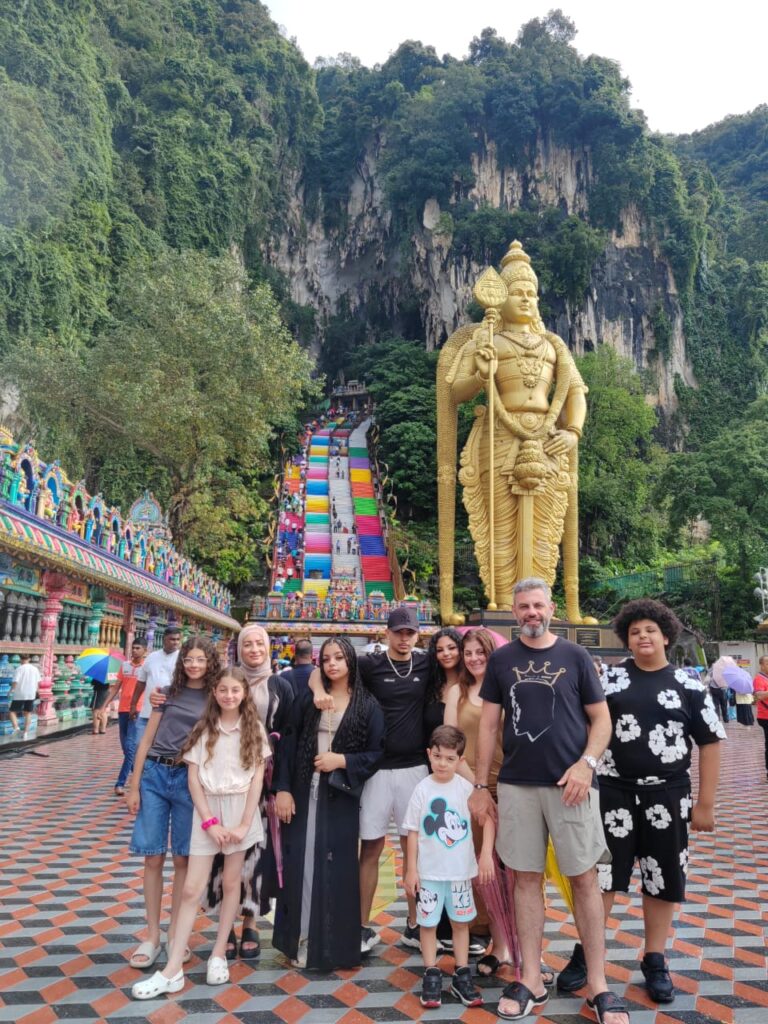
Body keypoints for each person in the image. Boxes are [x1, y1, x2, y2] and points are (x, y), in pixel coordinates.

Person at [469, 578, 627, 1024]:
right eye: (524, 606)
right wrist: (482, 786)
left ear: (551, 608)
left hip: (572, 784)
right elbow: (487, 727)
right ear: (515, 612)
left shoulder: (575, 656)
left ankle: (598, 982)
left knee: (584, 879)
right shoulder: (502, 660)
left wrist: (587, 764)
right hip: (518, 784)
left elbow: (601, 720)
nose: (531, 613)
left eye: (538, 605)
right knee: (524, 878)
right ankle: (532, 977)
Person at [437, 240, 593, 624]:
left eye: (531, 293)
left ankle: (546, 606)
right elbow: (454, 392)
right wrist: (480, 374)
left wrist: (572, 431)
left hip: (548, 436)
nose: (525, 299)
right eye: (517, 293)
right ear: (500, 298)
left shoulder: (553, 344)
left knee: (547, 522)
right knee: (500, 524)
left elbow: (575, 392)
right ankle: (505, 602)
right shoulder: (485, 340)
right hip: (499, 436)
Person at [597, 599, 725, 1005]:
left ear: (666, 636)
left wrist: (705, 804)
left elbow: (709, 743)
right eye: (635, 632)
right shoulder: (609, 681)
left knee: (663, 879)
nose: (643, 636)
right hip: (613, 793)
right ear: (627, 640)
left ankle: (654, 958)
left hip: (668, 796)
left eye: (650, 630)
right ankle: (589, 953)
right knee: (603, 878)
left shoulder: (689, 684)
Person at [131, 667, 268, 999]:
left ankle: (219, 952)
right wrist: (209, 821)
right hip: (207, 812)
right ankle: (172, 968)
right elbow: (193, 777)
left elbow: (257, 781)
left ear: (244, 694)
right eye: (223, 690)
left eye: (235, 690)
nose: (229, 696)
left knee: (233, 882)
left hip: (240, 814)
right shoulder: (204, 728)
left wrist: (242, 823)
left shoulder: (254, 730)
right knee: (192, 888)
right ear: (215, 693)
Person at [309, 606, 429, 953]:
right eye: (398, 633)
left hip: (415, 769)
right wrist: (319, 690)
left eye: (410, 633)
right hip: (375, 770)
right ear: (387, 634)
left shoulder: (426, 664)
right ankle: (360, 926)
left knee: (413, 848)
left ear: (417, 635)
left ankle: (415, 923)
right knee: (371, 847)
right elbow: (325, 670)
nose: (404, 639)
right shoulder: (370, 663)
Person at [273, 637, 385, 969]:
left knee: (338, 869)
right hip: (304, 791)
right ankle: (301, 940)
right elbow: (288, 745)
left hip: (341, 796)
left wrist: (342, 760)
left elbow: (376, 753)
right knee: (302, 865)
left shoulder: (367, 705)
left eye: (339, 657)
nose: (333, 663)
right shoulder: (309, 701)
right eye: (327, 658)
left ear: (351, 661)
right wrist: (282, 789)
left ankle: (334, 945)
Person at [126, 636, 221, 972]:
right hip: (154, 773)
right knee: (153, 857)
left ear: (210, 662)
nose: (194, 665)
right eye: (189, 660)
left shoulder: (215, 697)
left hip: (188, 780)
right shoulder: (166, 692)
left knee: (183, 859)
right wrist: (133, 785)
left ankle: (174, 935)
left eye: (200, 659)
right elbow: (146, 739)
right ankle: (151, 935)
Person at [204, 623, 294, 960]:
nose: (254, 649)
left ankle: (251, 919)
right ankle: (224, 926)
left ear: (269, 647)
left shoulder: (280, 684)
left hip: (263, 779)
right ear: (238, 649)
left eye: (259, 644)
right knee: (223, 851)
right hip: (226, 777)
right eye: (247, 644)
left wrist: (282, 785)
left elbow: (290, 733)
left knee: (257, 850)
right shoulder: (227, 683)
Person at [403, 725, 493, 1009]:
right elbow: (413, 831)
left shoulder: (466, 789)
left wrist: (487, 854)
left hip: (460, 874)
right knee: (428, 925)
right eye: (438, 756)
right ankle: (431, 974)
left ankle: (461, 974)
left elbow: (488, 818)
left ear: (460, 761)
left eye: (450, 758)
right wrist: (411, 870)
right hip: (429, 874)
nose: (442, 763)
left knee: (460, 924)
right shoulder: (422, 789)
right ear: (429, 754)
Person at [103, 638, 147, 795]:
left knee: (130, 748)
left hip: (138, 710)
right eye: (133, 648)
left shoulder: (146, 668)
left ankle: (120, 783)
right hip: (123, 709)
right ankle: (141, 778)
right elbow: (116, 688)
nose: (134, 650)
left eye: (138, 648)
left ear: (144, 651)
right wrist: (105, 705)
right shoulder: (125, 666)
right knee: (126, 748)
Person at [130, 626, 182, 749]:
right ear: (164, 639)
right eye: (172, 639)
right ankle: (139, 768)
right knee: (139, 745)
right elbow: (141, 682)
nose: (176, 642)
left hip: (169, 714)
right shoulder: (152, 657)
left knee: (159, 748)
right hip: (147, 712)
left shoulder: (183, 659)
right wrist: (133, 704)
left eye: (178, 639)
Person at [424, 627, 463, 739]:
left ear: (461, 649)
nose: (446, 653)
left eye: (451, 648)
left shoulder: (473, 685)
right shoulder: (429, 686)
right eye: (439, 650)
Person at [9, 654, 41, 739]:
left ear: (20, 659)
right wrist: (37, 692)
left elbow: (15, 682)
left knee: (12, 711)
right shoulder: (35, 669)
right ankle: (25, 733)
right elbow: (38, 683)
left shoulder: (19, 669)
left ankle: (16, 727)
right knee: (27, 713)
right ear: (29, 659)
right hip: (31, 694)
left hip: (19, 694)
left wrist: (11, 690)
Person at [754, 657, 768, 781]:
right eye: (767, 663)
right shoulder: (759, 679)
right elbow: (758, 695)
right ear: (761, 665)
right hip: (765, 716)